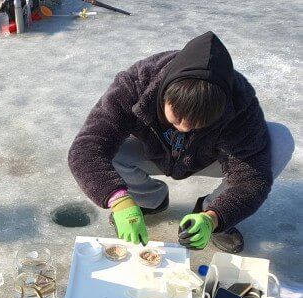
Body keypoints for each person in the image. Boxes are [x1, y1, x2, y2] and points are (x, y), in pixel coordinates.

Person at [68, 31, 294, 253]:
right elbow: (86, 148)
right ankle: (148, 200)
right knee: (108, 149)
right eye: (176, 117)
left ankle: (208, 211)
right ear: (165, 93)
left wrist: (215, 217)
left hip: (209, 157)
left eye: (197, 123)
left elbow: (251, 179)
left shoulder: (240, 104)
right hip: (150, 151)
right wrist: (118, 200)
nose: (184, 127)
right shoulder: (136, 84)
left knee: (279, 141)